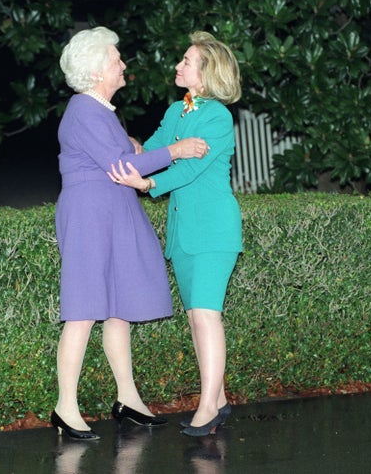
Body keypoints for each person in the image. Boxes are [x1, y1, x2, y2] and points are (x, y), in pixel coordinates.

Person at [51, 26, 210, 441]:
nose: (123, 64)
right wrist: (176, 150)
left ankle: (129, 400)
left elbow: (123, 153)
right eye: (116, 59)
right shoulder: (84, 109)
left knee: (118, 307)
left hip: (113, 212)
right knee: (83, 311)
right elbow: (122, 168)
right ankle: (65, 407)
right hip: (90, 215)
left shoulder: (98, 109)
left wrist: (135, 145)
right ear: (98, 69)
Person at [108, 31, 243, 437]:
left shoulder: (217, 117)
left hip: (214, 231)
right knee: (197, 317)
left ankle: (207, 408)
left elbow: (189, 169)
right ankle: (217, 399)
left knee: (206, 315)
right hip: (184, 234)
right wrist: (122, 143)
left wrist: (148, 186)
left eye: (186, 61)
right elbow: (153, 150)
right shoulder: (177, 110)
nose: (178, 66)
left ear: (206, 73)